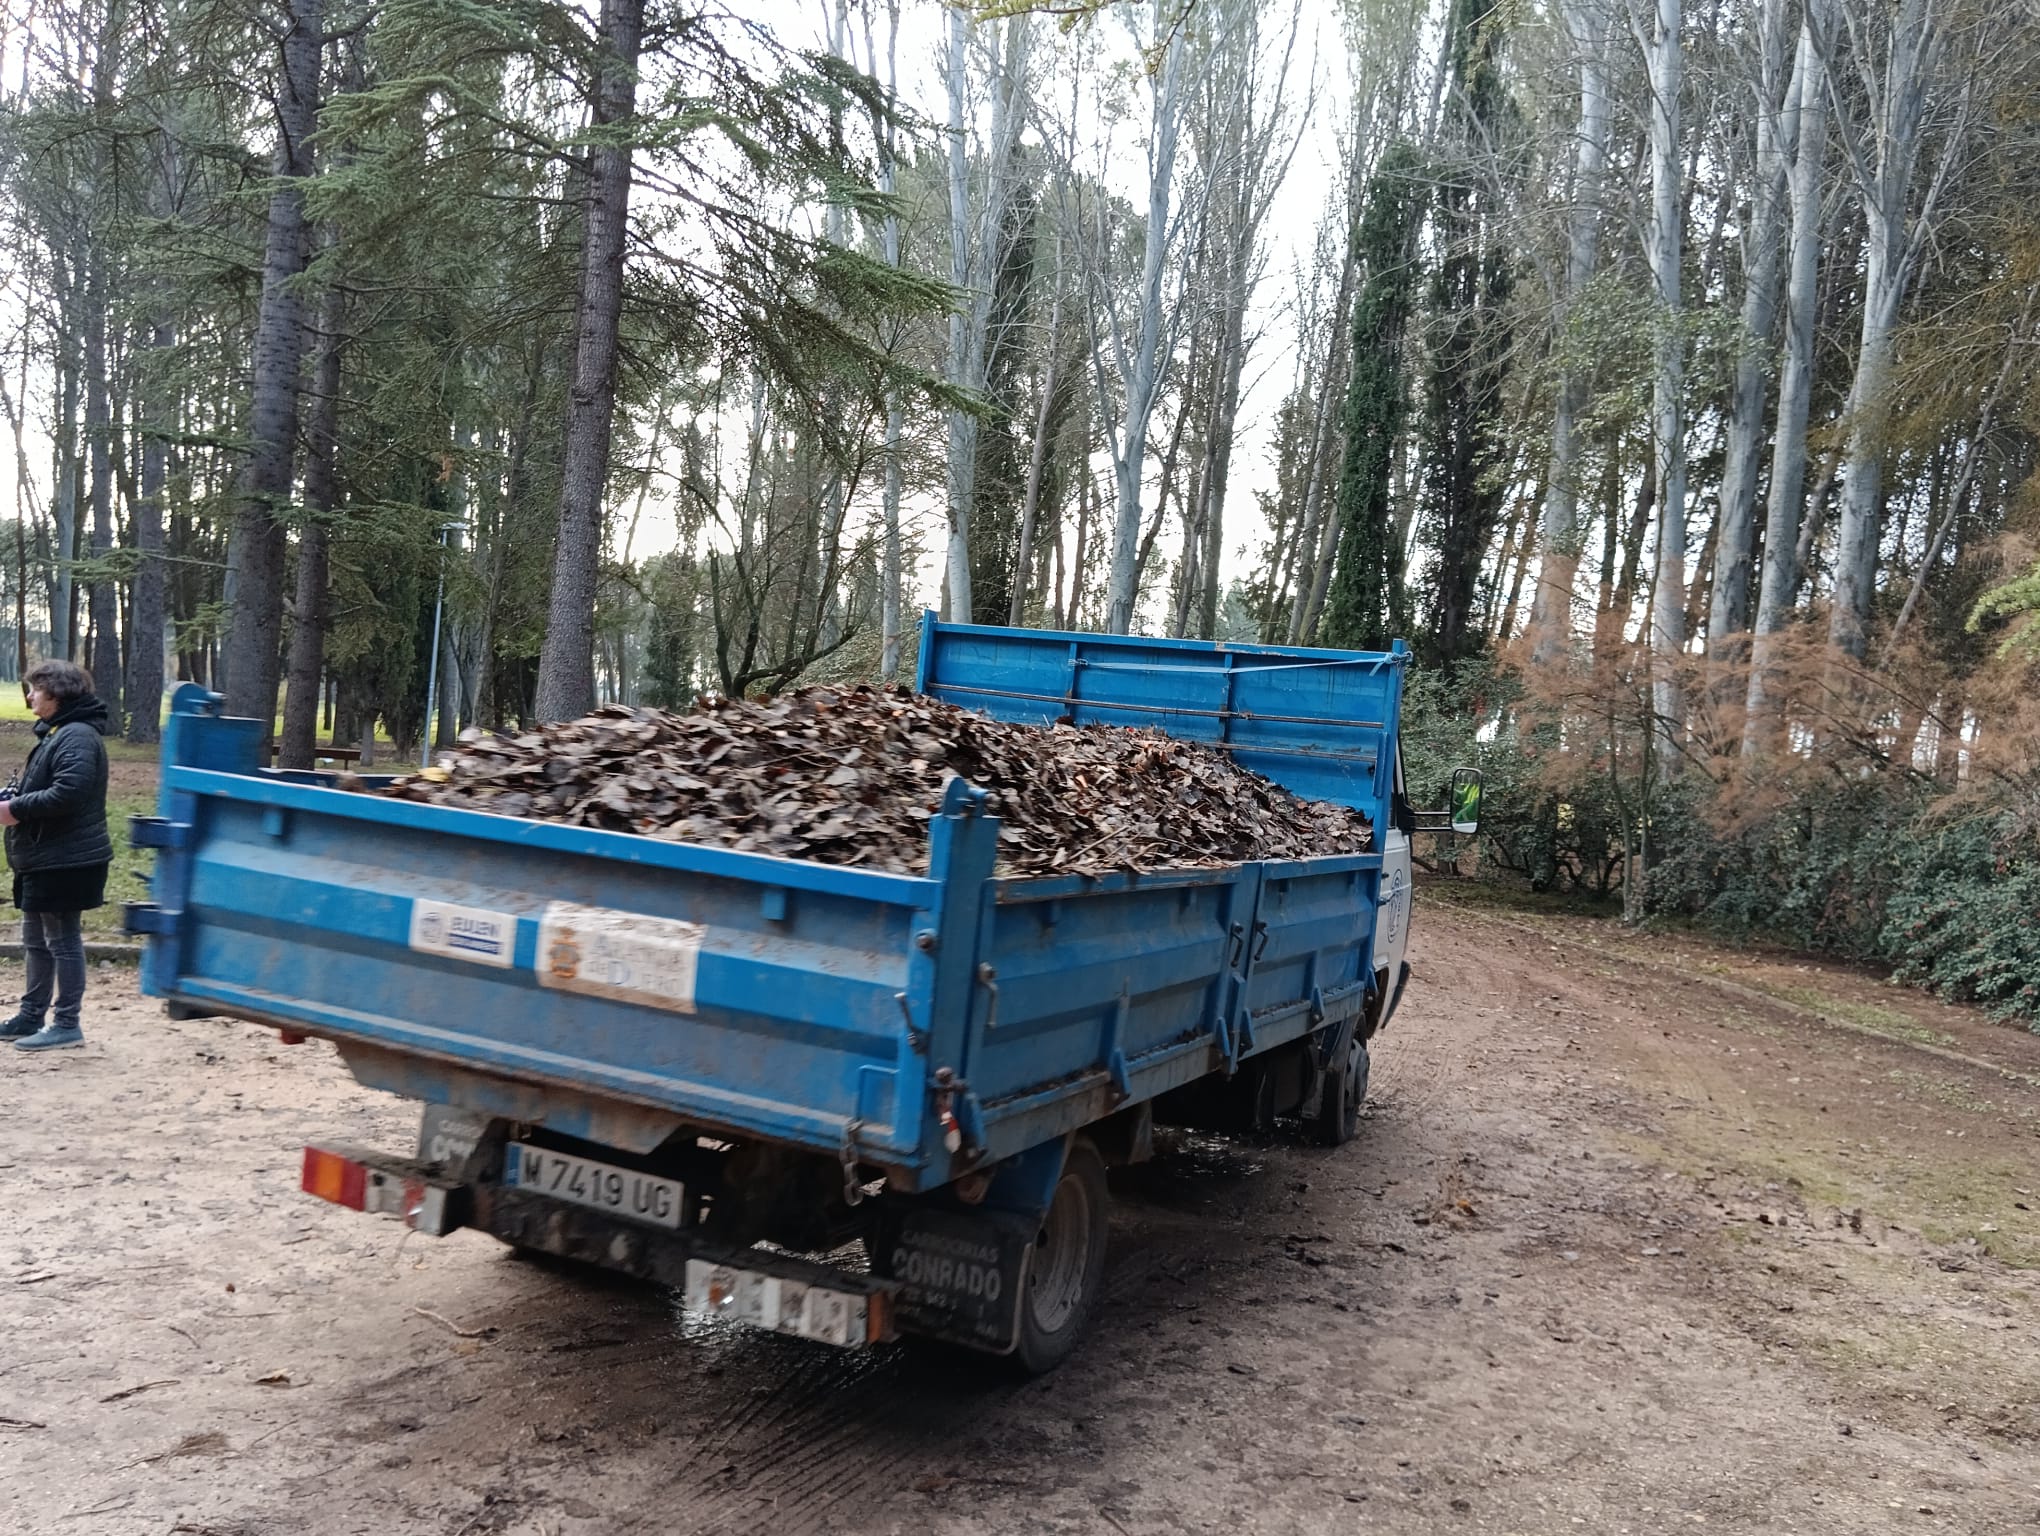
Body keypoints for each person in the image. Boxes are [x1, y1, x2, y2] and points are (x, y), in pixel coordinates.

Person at [0, 660, 112, 1052]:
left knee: (62, 941)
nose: (30, 695)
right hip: (44, 858)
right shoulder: (59, 733)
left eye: (35, 689)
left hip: (67, 860)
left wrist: (16, 809)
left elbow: (69, 792)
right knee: (35, 939)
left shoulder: (77, 736)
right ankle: (31, 1015)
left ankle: (67, 1023)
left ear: (57, 695)